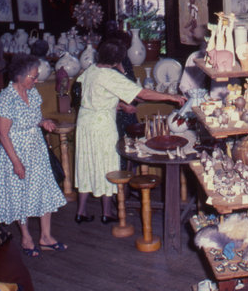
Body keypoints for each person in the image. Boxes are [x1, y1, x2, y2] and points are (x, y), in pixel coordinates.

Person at [74, 40, 185, 223]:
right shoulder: (110, 75)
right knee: (107, 165)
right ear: (118, 59)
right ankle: (107, 213)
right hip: (102, 125)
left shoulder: (91, 69)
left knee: (86, 163)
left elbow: (94, 95)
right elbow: (143, 93)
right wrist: (171, 97)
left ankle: (81, 211)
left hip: (85, 122)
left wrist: (118, 105)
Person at [0, 53, 67, 256]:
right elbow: (2, 133)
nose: (36, 81)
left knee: (44, 189)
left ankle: (46, 237)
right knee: (21, 193)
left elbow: (34, 118)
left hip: (36, 150)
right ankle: (26, 238)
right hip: (16, 152)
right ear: (20, 76)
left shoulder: (32, 93)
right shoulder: (6, 98)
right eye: (33, 77)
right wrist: (16, 163)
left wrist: (43, 122)